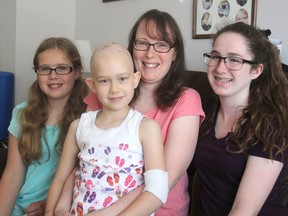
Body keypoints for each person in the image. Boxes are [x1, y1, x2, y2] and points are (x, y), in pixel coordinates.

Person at [83, 9, 205, 215]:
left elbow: (166, 179)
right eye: (143, 43)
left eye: (162, 44)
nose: (150, 53)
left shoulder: (186, 99)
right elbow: (82, 158)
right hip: (91, 203)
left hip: (158, 210)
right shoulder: (104, 93)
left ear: (175, 53)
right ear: (132, 48)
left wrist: (111, 213)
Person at [45, 42, 168, 215]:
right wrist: (51, 211)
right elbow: (60, 178)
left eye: (122, 78)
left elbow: (158, 191)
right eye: (104, 81)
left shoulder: (146, 128)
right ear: (92, 85)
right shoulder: (79, 126)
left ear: (135, 79)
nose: (114, 89)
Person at [192, 22, 288, 215]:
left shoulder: (269, 125)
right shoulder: (204, 110)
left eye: (235, 60)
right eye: (216, 57)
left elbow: (244, 210)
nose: (220, 68)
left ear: (256, 70)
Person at [0, 37, 88, 215]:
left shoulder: (89, 117)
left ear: (77, 72)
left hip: (63, 208)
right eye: (45, 69)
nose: (53, 76)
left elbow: (89, 176)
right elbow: (12, 176)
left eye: (62, 68)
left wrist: (50, 203)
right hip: (22, 207)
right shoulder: (22, 113)